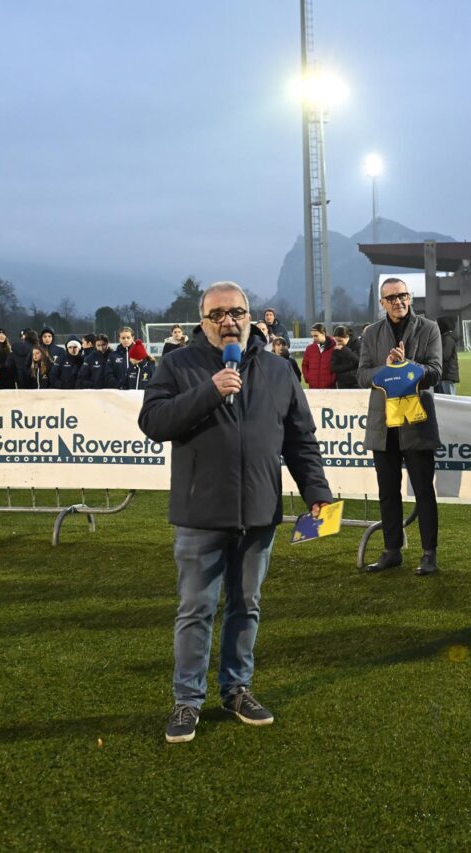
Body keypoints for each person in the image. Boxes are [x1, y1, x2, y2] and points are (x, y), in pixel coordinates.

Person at [138, 281, 332, 744]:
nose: (229, 320)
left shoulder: (279, 369)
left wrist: (316, 492)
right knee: (196, 609)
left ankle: (237, 688)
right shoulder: (176, 364)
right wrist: (209, 391)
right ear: (202, 321)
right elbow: (154, 423)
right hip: (199, 511)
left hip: (259, 511)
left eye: (237, 312)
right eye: (218, 313)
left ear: (252, 316)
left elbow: (299, 439)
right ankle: (187, 700)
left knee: (247, 606)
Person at [357, 276, 443, 575]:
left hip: (415, 423)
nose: (398, 301)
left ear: (411, 297)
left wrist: (407, 368)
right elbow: (363, 375)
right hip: (384, 426)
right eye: (391, 298)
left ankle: (429, 554)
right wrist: (387, 368)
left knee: (423, 492)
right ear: (382, 303)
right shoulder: (371, 334)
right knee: (388, 492)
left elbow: (435, 372)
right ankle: (392, 550)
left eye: (403, 295)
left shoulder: (429, 328)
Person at [301, 323, 337, 389]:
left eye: (316, 336)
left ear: (323, 334)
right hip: (313, 388)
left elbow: (337, 366)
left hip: (329, 389)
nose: (314, 338)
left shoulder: (334, 349)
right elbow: (304, 365)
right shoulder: (309, 349)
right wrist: (308, 378)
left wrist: (332, 380)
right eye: (312, 336)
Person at [435, 316, 460, 395]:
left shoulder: (447, 339)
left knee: (449, 396)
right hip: (445, 372)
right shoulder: (446, 338)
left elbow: (445, 355)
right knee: (445, 395)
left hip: (447, 373)